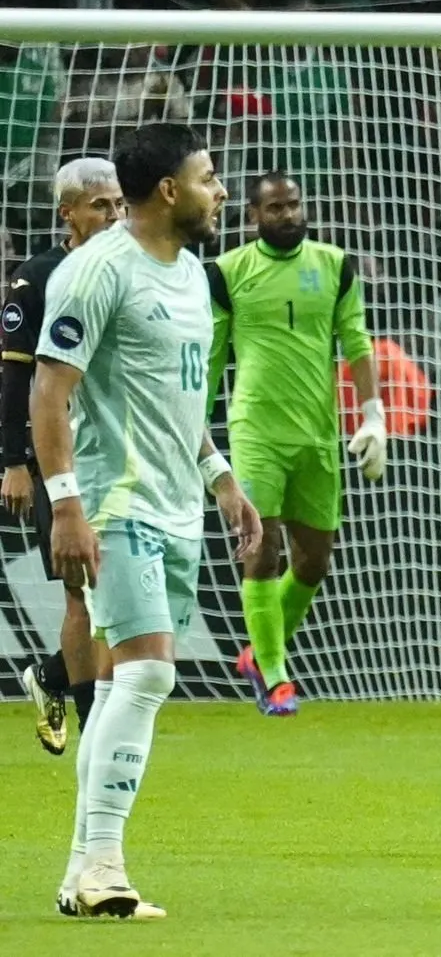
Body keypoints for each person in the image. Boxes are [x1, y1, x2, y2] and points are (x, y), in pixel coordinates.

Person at [32, 122, 262, 918]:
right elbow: (50, 391)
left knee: (132, 679)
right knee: (150, 671)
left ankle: (82, 873)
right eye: (209, 176)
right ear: (168, 191)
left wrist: (221, 478)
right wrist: (66, 503)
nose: (221, 189)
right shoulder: (96, 273)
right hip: (114, 498)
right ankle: (101, 864)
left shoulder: (195, 275)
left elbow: (179, 398)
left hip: (177, 504)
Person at [207, 171, 385, 718]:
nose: (287, 215)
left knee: (314, 562)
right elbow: (213, 355)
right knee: (263, 548)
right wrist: (192, 422)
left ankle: (262, 651)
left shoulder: (334, 265)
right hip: (256, 427)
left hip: (317, 430)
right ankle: (275, 674)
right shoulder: (228, 272)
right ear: (253, 217)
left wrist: (373, 412)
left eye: (293, 205)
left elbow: (355, 341)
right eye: (274, 208)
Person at [5, 158, 124, 756]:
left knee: (126, 595)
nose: (112, 216)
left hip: (126, 459)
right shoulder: (39, 278)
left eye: (118, 205)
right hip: (62, 460)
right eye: (99, 205)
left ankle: (53, 676)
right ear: (68, 213)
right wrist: (14, 461)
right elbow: (15, 379)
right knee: (83, 591)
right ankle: (91, 725)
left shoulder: (132, 270)